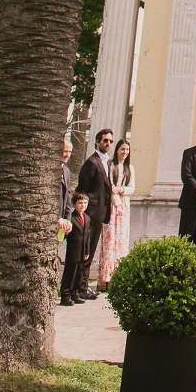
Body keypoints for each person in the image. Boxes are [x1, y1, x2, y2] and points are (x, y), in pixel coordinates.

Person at [76, 126, 113, 297]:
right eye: (105, 140)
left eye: (110, 141)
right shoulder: (91, 162)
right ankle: (80, 287)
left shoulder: (108, 162)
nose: (108, 143)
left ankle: (82, 286)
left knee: (90, 251)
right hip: (90, 213)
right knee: (84, 251)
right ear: (97, 142)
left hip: (100, 214)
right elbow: (82, 188)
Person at [98, 138, 134, 289]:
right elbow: (110, 187)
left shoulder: (130, 168)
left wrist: (122, 190)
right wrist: (117, 202)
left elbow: (132, 188)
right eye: (122, 149)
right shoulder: (110, 166)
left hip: (124, 208)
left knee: (121, 241)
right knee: (109, 241)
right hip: (112, 207)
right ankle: (104, 278)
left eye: (127, 150)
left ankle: (118, 276)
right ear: (117, 151)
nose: (124, 152)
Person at [59, 190, 91, 306]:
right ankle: (65, 295)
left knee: (79, 273)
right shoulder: (71, 218)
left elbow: (87, 236)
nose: (83, 206)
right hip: (73, 251)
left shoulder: (87, 218)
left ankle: (75, 293)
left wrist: (87, 251)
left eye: (85, 203)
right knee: (70, 273)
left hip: (83, 251)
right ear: (74, 204)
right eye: (80, 203)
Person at [58, 138, 73, 235]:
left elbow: (68, 197)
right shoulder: (51, 170)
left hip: (63, 223)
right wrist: (57, 217)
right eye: (65, 151)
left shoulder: (67, 171)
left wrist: (68, 220)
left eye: (69, 152)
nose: (67, 155)